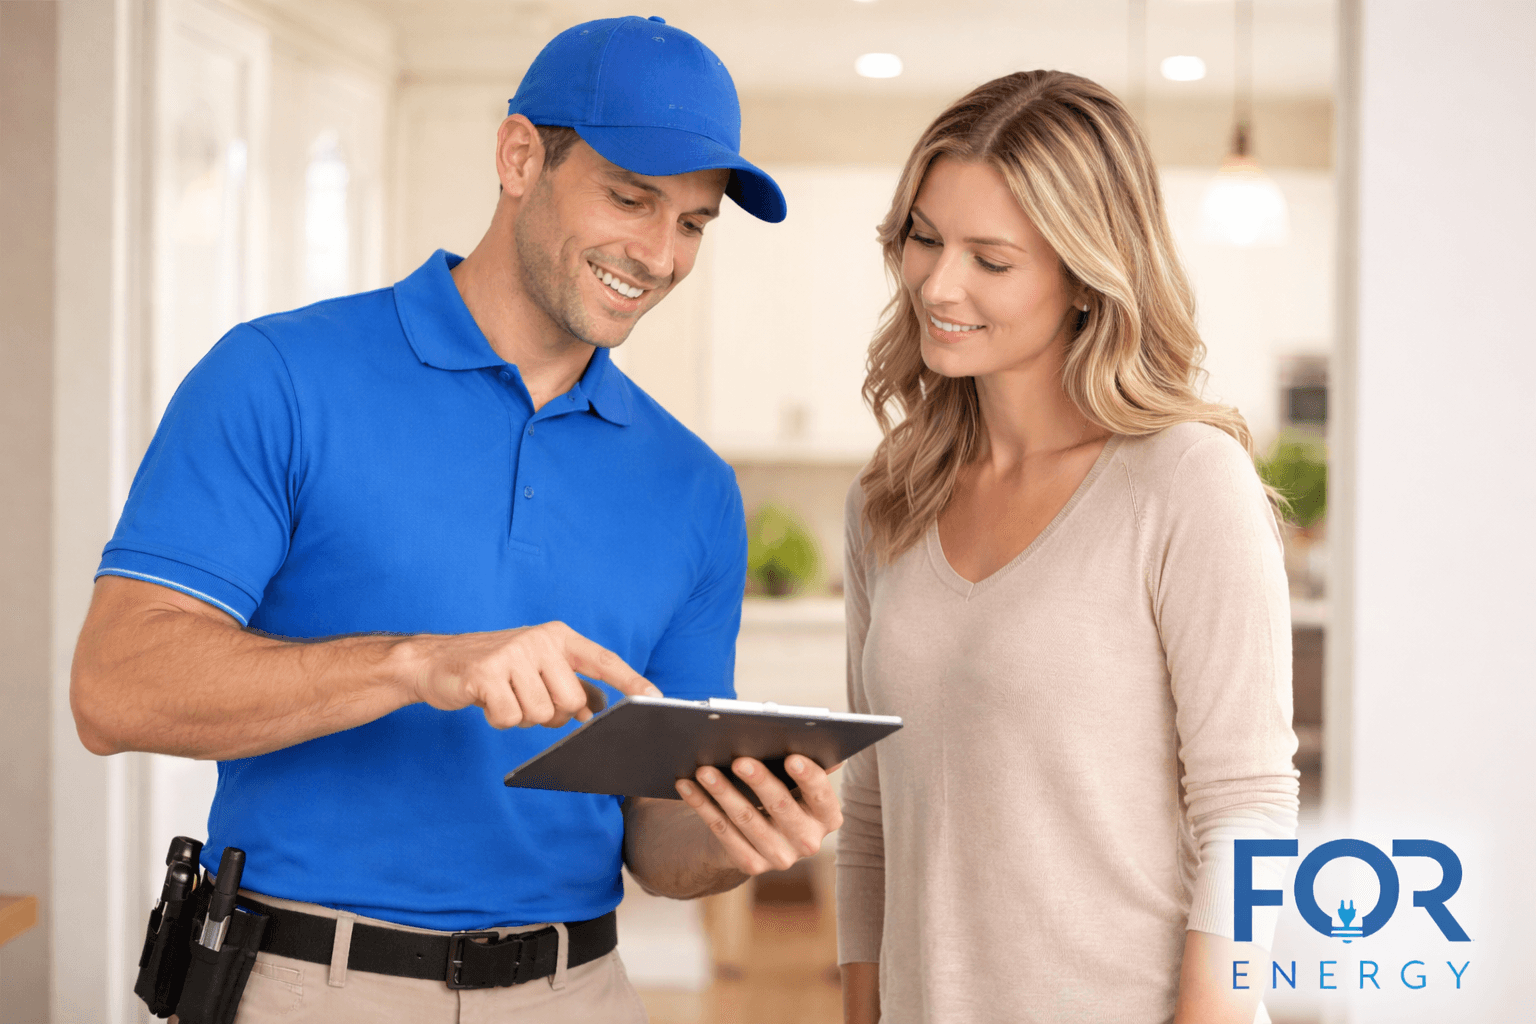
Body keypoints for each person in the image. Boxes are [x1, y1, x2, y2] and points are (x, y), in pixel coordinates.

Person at [70, 16, 842, 1022]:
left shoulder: (693, 486)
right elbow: (115, 686)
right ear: (520, 155)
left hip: (580, 991)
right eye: (629, 198)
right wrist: (414, 663)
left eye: (693, 223)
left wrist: (739, 834)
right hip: (308, 985)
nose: (659, 255)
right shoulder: (280, 378)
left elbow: (657, 839)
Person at [835, 71, 1299, 1024]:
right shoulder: (890, 499)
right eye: (924, 237)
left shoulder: (1185, 481)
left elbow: (1249, 810)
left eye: (990, 259)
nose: (938, 282)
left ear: (1085, 276)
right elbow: (872, 813)